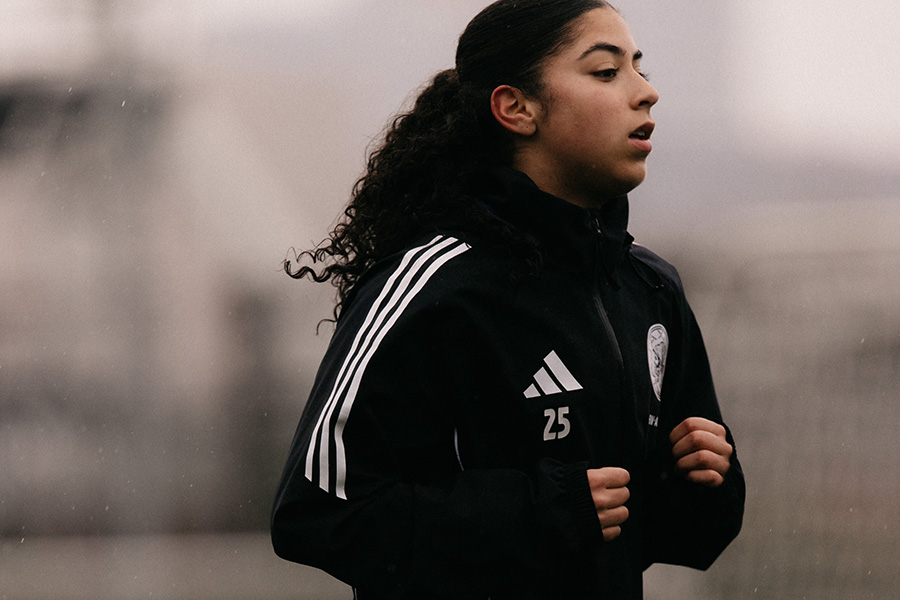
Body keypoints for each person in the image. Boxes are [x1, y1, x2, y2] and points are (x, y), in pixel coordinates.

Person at [271, 1, 745, 598]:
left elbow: (673, 537)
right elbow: (319, 513)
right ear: (517, 108)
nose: (645, 92)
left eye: (639, 68)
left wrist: (701, 482)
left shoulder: (650, 288)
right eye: (606, 72)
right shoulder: (435, 287)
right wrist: (542, 512)